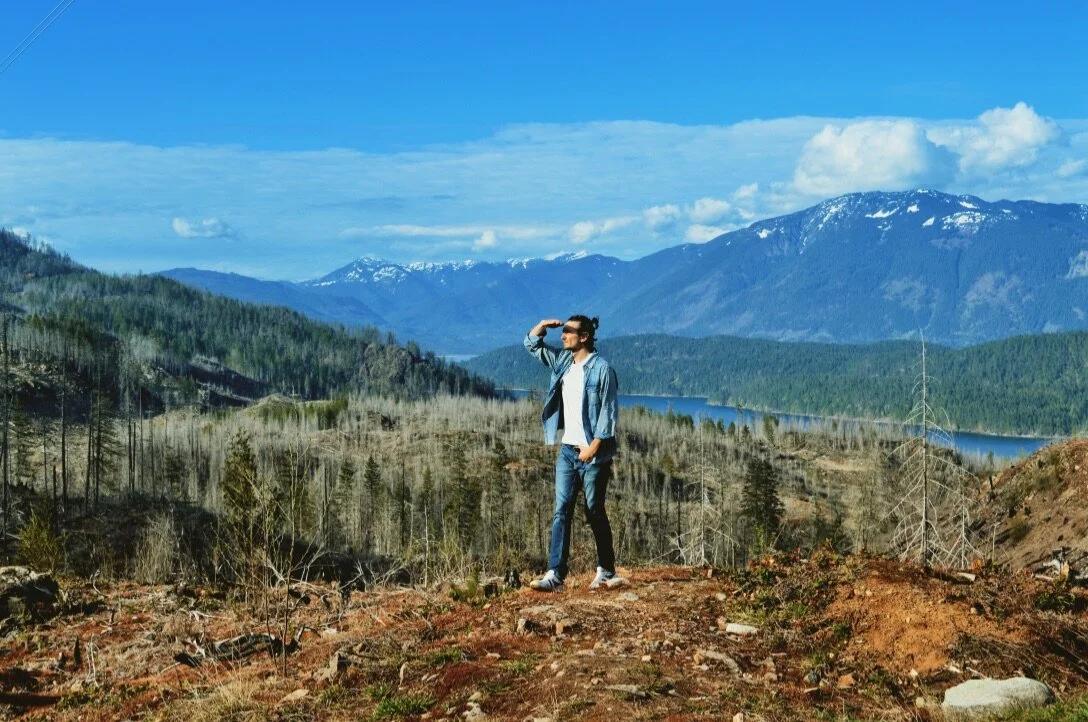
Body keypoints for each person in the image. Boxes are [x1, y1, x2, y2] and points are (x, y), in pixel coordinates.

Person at [524, 315, 620, 591]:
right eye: (563, 330)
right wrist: (541, 325)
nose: (563, 335)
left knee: (594, 511)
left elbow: (608, 412)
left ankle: (606, 570)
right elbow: (533, 346)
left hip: (593, 453)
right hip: (568, 451)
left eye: (568, 331)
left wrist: (593, 448)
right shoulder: (564, 363)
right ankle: (555, 574)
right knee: (561, 511)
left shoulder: (602, 370)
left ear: (585, 336)